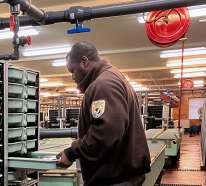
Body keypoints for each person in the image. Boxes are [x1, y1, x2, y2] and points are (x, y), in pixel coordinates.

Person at [56, 41, 151, 186]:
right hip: (121, 177)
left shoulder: (103, 84)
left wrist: (72, 152)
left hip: (116, 179)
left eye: (72, 71)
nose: (73, 77)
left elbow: (106, 133)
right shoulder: (111, 77)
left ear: (84, 62)